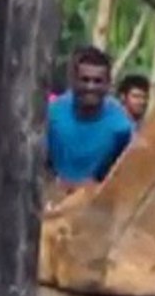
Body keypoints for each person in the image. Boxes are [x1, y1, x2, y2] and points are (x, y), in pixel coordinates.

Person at [46, 46, 133, 189]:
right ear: (73, 80)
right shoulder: (51, 115)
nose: (90, 87)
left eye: (97, 81)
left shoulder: (122, 127)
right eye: (85, 80)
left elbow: (125, 175)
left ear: (108, 84)